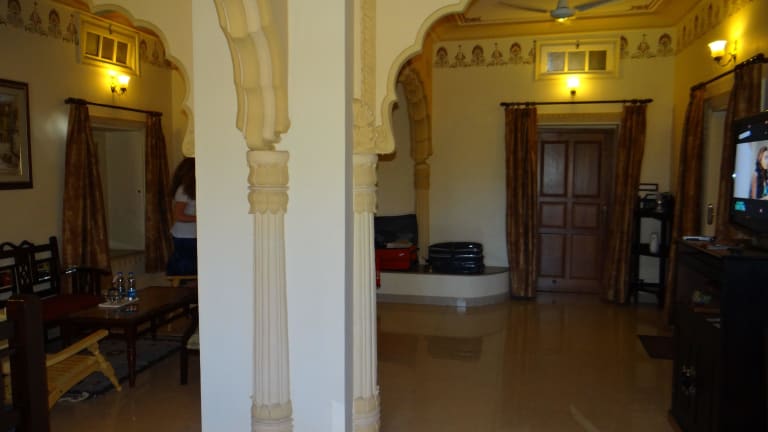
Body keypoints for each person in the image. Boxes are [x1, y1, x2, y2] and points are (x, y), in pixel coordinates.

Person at [167, 157, 197, 275]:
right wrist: (201, 219)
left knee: (192, 269)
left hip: (190, 235)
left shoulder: (191, 189)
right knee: (187, 270)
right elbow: (178, 215)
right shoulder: (183, 190)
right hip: (185, 236)